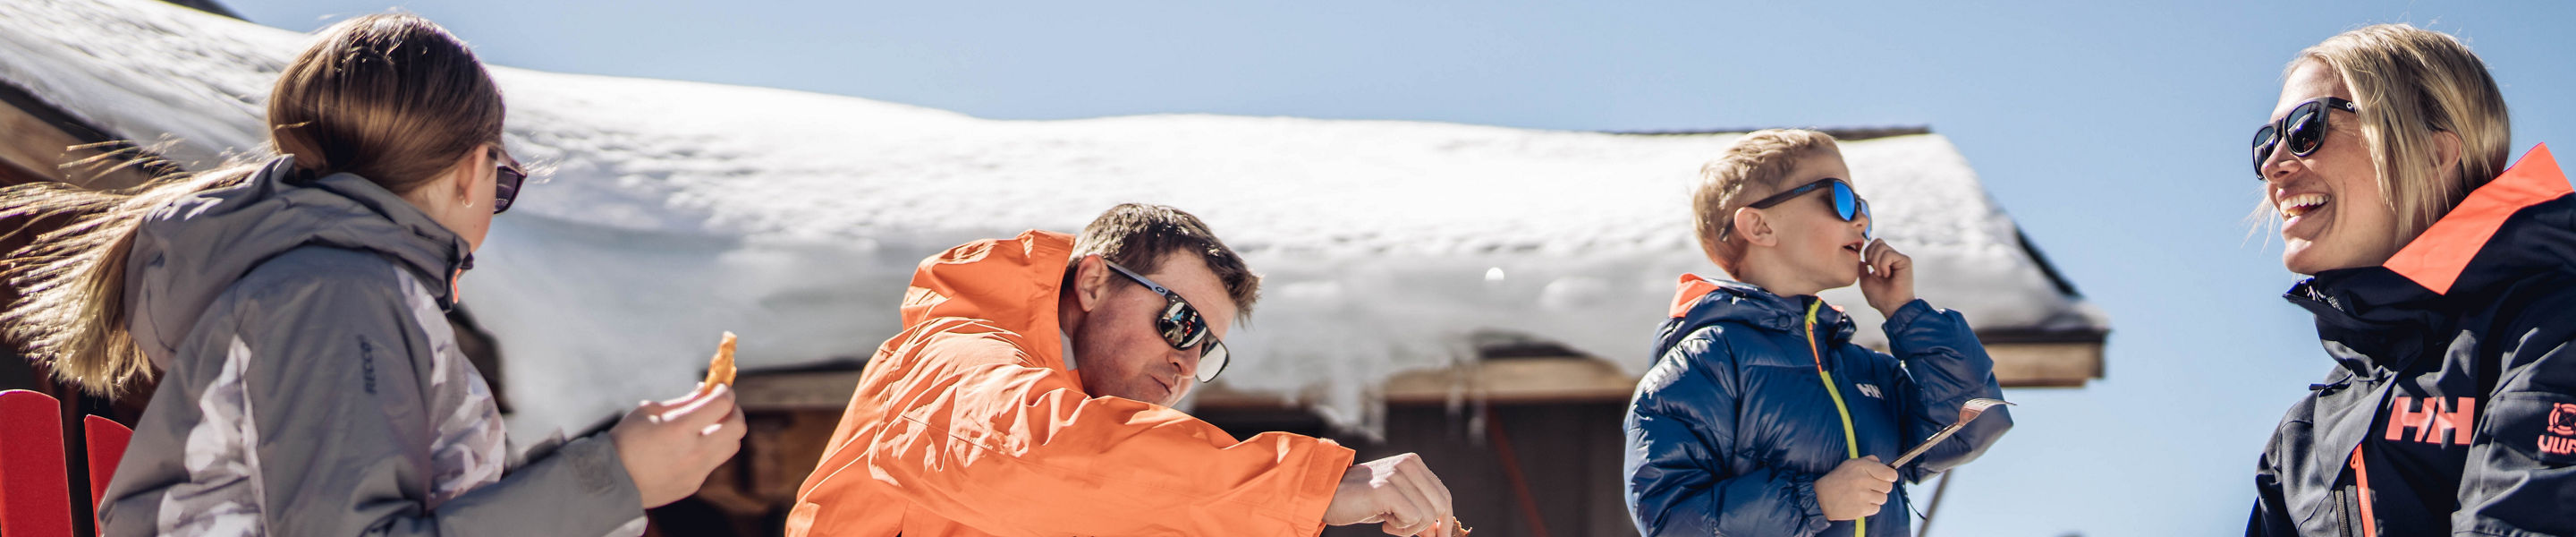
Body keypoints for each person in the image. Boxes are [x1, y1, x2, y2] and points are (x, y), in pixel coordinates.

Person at [0, 13, 741, 535]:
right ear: (472, 171)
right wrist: (613, 479)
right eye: (503, 184)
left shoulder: (332, 288)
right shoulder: (335, 293)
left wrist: (604, 474)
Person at [785, 203, 1459, 536]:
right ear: (1094, 283)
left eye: (1206, 350)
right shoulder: (952, 355)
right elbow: (1027, 453)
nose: (1185, 362)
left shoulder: (1104, 476)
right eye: (1181, 322)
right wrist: (1309, 488)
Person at [2245, 24, 2576, 536]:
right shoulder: (2300, 441)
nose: (2273, 165)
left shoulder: (2551, 330)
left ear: (2431, 155)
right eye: (2265, 143)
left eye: (2306, 128)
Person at [1623, 129, 2012, 536]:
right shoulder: (1707, 360)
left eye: (1862, 206)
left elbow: (1971, 423)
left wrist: (1907, 314)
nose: (1860, 220)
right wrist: (1817, 500)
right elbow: (1670, 521)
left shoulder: (1862, 369)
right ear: (1759, 226)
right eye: (1839, 199)